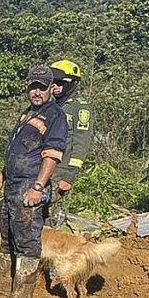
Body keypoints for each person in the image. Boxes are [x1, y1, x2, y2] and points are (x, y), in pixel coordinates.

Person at [0, 65, 68, 298]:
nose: (36, 92)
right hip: (12, 183)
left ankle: (22, 295)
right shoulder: (28, 114)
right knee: (8, 234)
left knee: (26, 237)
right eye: (33, 86)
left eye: (41, 88)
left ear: (50, 89)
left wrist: (37, 186)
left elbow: (52, 156)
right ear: (27, 87)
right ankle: (3, 282)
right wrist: (0, 179)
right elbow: (17, 152)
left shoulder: (55, 116)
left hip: (29, 184)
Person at [47, 60, 93, 227]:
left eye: (60, 83)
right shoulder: (50, 105)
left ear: (72, 84)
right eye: (53, 83)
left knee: (48, 210)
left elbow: (81, 144)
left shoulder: (80, 108)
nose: (56, 87)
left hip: (61, 169)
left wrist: (69, 176)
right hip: (43, 164)